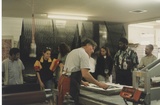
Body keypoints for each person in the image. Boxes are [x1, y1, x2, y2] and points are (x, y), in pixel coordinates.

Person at [58, 38, 108, 105]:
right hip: (70, 84)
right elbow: (85, 74)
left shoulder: (73, 51)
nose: (93, 51)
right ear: (87, 45)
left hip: (63, 80)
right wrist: (99, 84)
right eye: (92, 48)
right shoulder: (84, 54)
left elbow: (71, 70)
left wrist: (82, 82)